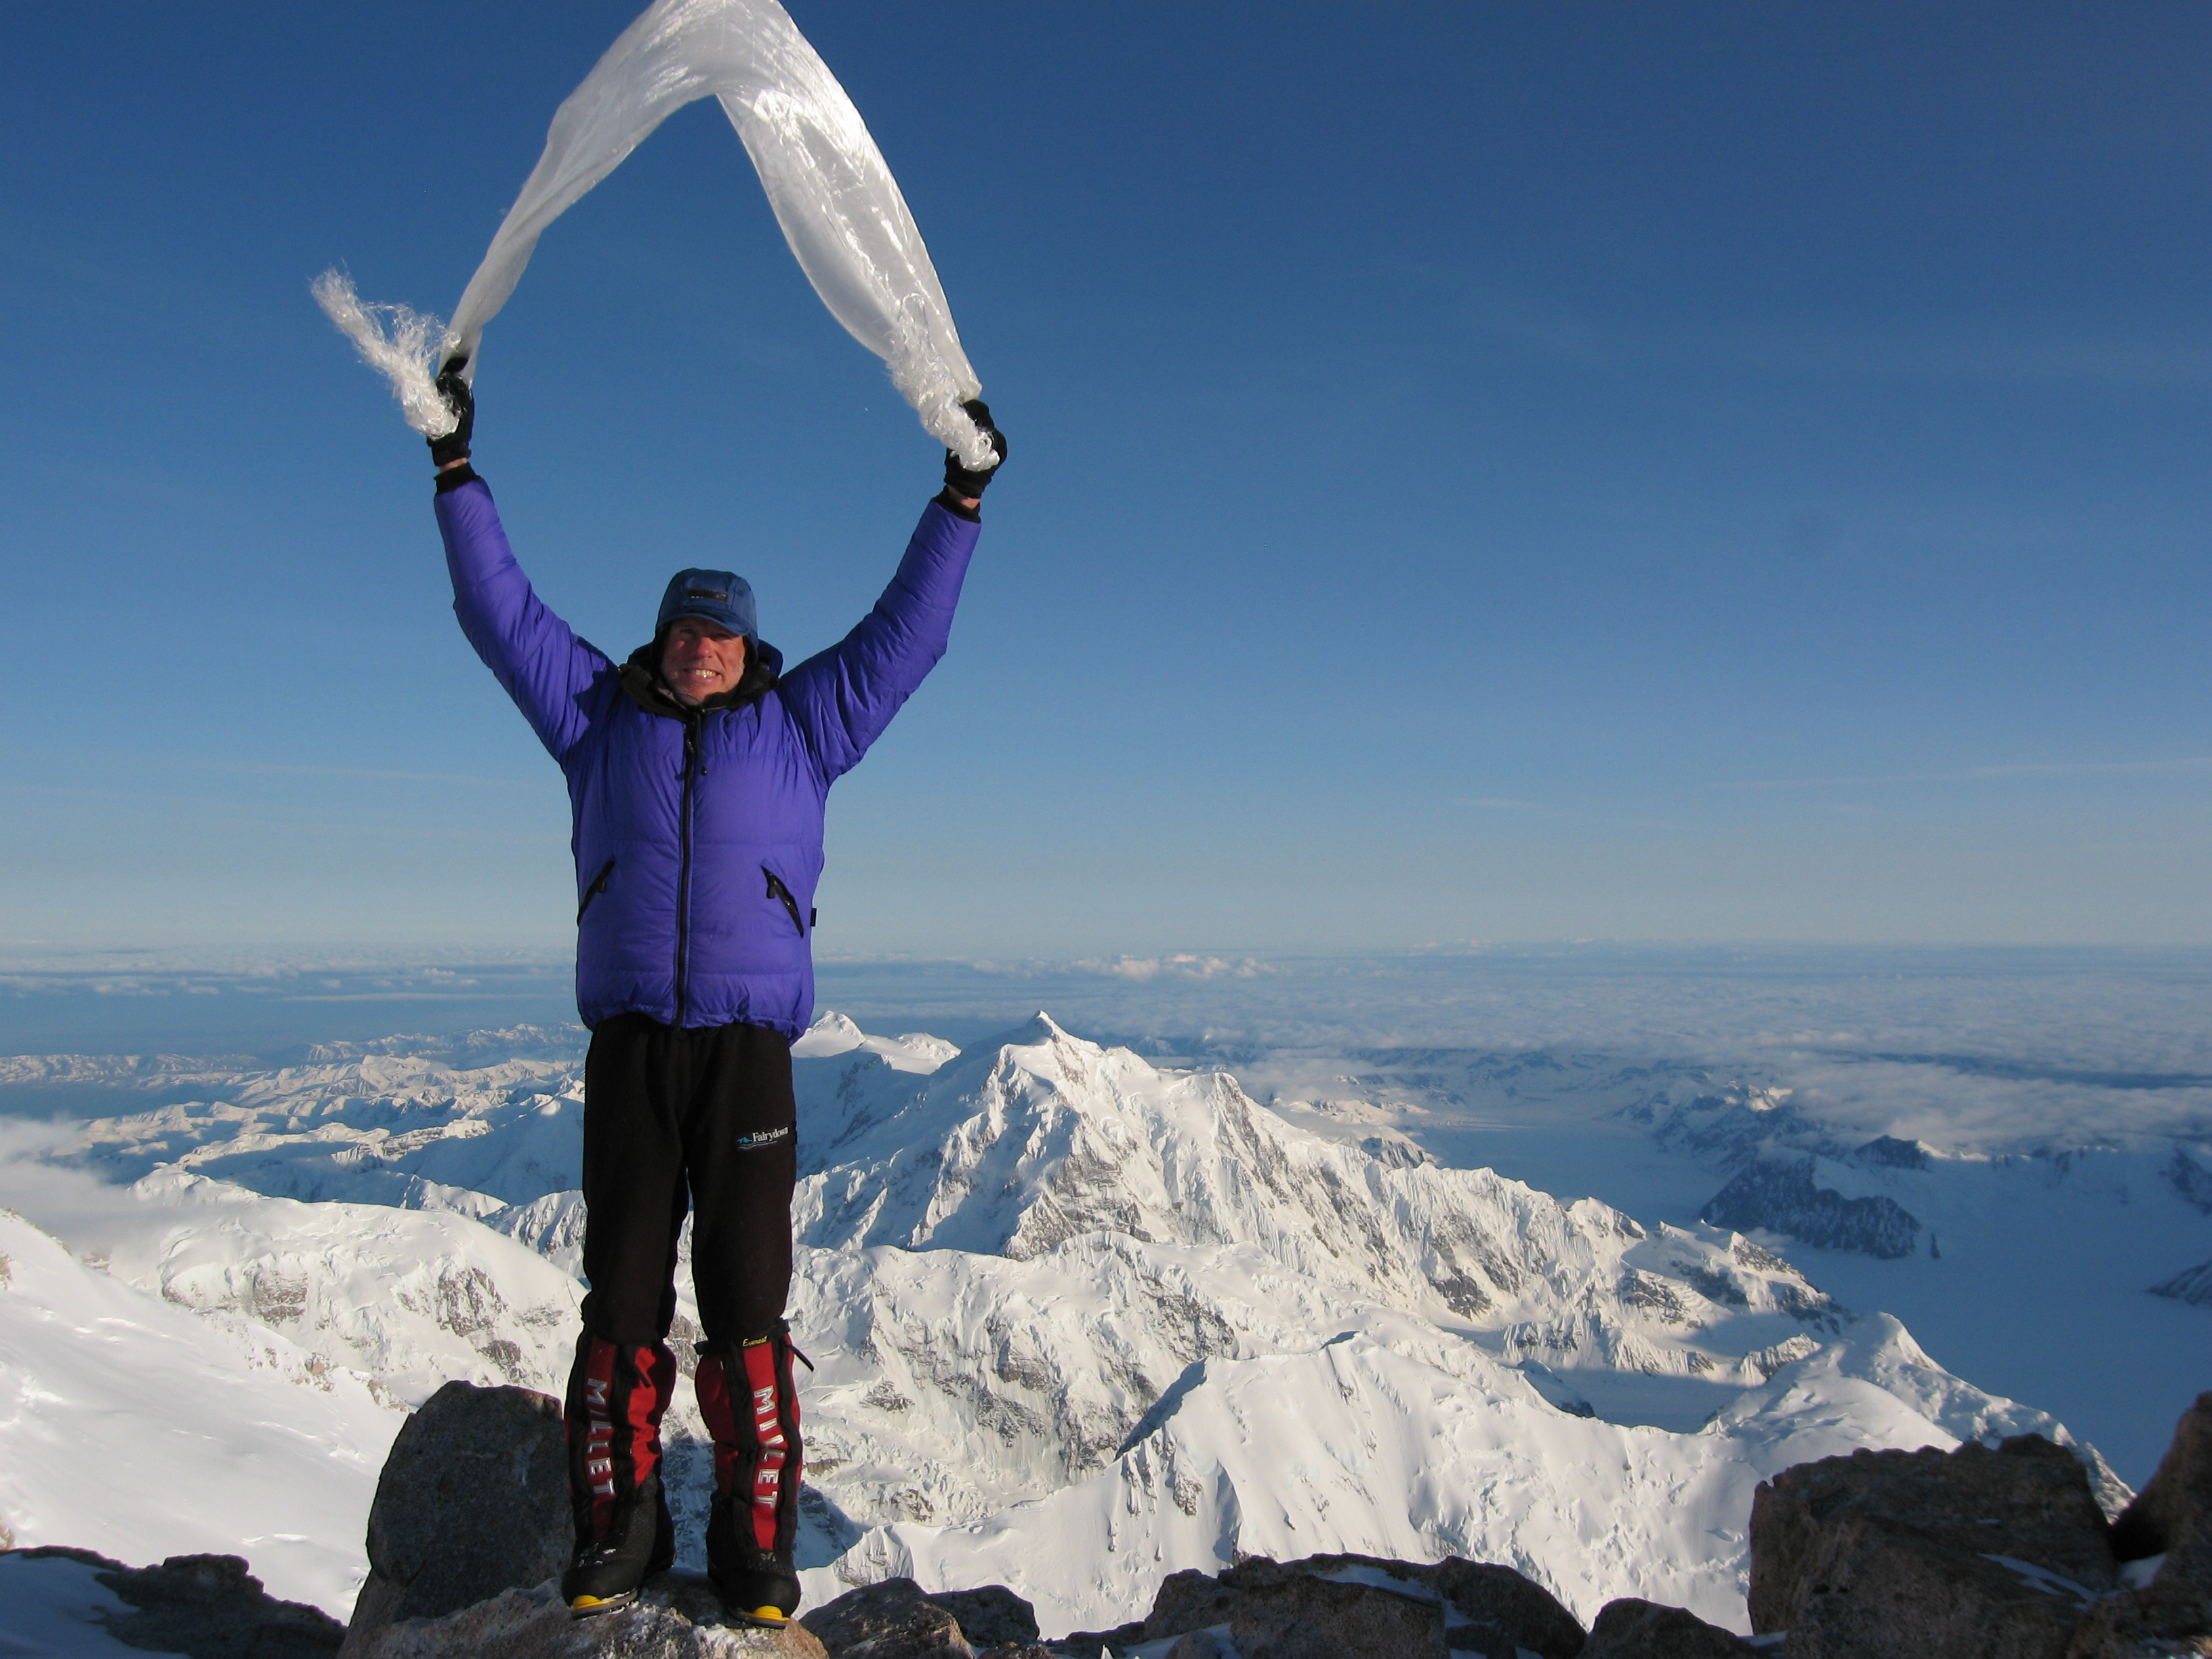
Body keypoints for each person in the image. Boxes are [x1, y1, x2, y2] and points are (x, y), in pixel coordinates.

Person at [423, 363, 1004, 1624]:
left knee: (748, 1307)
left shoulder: (804, 727)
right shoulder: (595, 716)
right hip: (634, 1045)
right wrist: (455, 469)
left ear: (750, 651)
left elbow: (908, 637)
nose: (702, 647)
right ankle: (615, 1541)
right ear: (662, 640)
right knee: (622, 1302)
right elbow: (497, 610)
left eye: (722, 634)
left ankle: (755, 1557)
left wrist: (960, 500)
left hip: (746, 1056)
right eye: (686, 631)